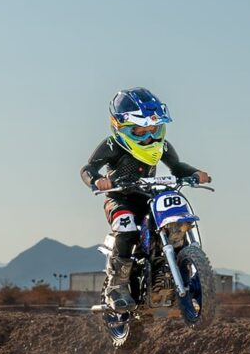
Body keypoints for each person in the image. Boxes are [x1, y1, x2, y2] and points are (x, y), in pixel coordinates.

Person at [80, 87, 210, 310]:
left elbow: (177, 167)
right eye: (141, 131)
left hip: (150, 198)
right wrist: (97, 180)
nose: (149, 135)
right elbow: (88, 168)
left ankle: (179, 272)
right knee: (126, 225)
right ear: (122, 127)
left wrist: (194, 174)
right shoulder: (113, 145)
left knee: (176, 221)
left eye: (154, 128)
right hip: (120, 199)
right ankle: (117, 286)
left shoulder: (162, 146)